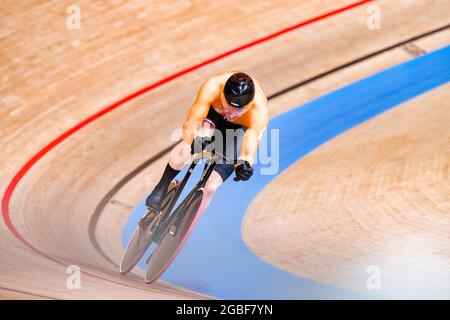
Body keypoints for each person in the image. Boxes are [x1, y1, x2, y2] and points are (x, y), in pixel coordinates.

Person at [145, 71, 268, 217]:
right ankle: (162, 186)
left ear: (249, 105)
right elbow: (191, 122)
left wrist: (243, 165)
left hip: (240, 129)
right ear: (222, 95)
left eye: (239, 109)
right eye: (228, 106)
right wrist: (194, 140)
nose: (232, 113)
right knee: (201, 136)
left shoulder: (259, 112)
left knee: (211, 187)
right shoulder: (212, 87)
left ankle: (189, 218)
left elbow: (248, 147)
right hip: (214, 116)